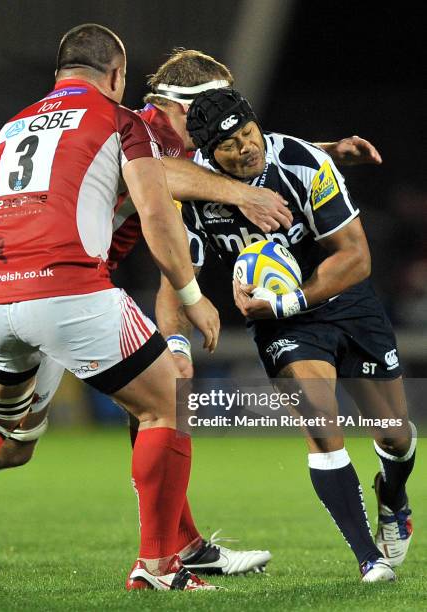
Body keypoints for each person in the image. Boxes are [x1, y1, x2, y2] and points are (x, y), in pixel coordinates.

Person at [0, 48, 385, 579]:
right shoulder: (135, 131)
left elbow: (220, 160)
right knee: (153, 405)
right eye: (211, 105)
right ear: (176, 105)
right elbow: (164, 178)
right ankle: (162, 559)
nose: (223, 116)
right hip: (64, 289)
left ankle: (180, 543)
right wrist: (217, 240)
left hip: (0, 285)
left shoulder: (63, 129)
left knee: (15, 436)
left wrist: (324, 152)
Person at [0, 23, 223, 592]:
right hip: (69, 288)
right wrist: (191, 297)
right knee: (166, 403)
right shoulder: (121, 121)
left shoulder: (7, 130)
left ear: (59, 73)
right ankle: (158, 565)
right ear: (116, 75)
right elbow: (156, 216)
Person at [155, 87, 415, 583]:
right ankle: (369, 558)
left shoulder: (302, 161)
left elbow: (356, 256)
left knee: (396, 436)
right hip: (281, 324)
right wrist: (177, 343)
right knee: (322, 425)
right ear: (209, 153)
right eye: (228, 146)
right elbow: (176, 275)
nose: (244, 149)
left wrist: (292, 298)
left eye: (249, 134)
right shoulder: (195, 193)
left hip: (347, 302)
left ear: (258, 126)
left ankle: (393, 495)